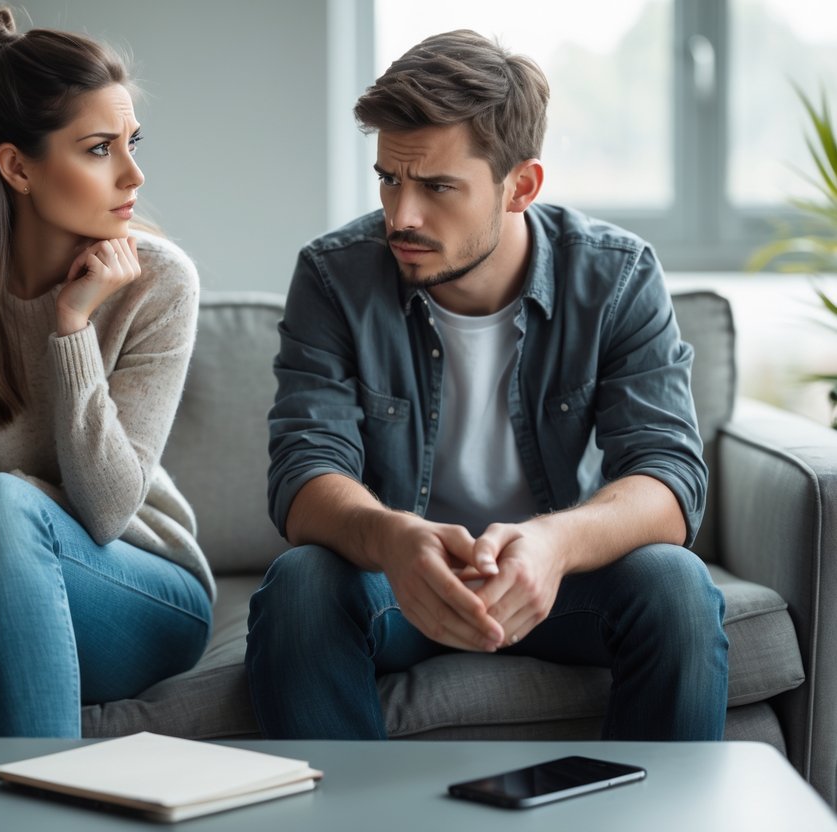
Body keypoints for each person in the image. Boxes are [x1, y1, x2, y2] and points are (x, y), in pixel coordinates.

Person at [246, 29, 728, 741]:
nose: (400, 216)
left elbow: (667, 474)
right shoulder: (333, 277)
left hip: (556, 585)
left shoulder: (615, 276)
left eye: (437, 187)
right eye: (388, 179)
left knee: (675, 586)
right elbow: (302, 471)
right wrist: (391, 540)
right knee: (300, 586)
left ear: (521, 186)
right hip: (398, 584)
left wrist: (553, 545)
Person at [0, 6, 214, 738]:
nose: (133, 174)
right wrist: (9, 503)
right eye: (98, 149)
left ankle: (47, 784)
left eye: (131, 143)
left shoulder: (159, 282)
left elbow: (108, 509)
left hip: (137, 585)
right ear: (17, 166)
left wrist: (72, 326)